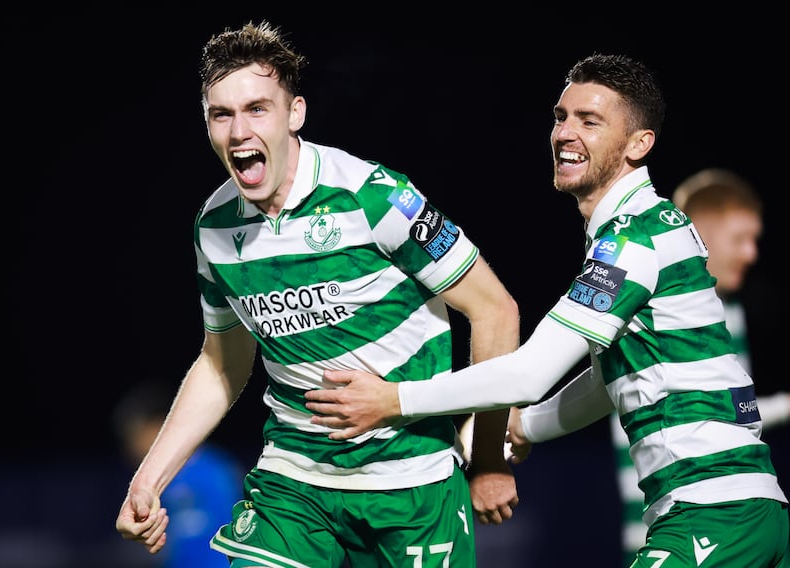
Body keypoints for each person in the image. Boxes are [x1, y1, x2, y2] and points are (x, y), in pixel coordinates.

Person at [305, 53, 790, 567]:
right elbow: (611, 380)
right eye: (562, 117)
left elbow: (530, 372)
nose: (565, 133)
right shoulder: (652, 226)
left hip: (713, 516)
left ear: (638, 144)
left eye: (590, 121)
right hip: (745, 513)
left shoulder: (633, 242)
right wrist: (526, 427)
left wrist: (393, 399)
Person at [114, 20, 521, 568]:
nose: (239, 131)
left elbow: (495, 310)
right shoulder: (213, 228)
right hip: (296, 481)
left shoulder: (377, 198)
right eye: (222, 114)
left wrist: (490, 456)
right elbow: (222, 363)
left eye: (258, 108)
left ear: (295, 113)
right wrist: (150, 478)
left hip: (411, 480)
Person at [611, 168, 790, 565]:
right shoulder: (646, 301)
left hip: (713, 515)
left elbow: (729, 411)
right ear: (703, 237)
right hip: (673, 516)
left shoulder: (730, 312)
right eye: (740, 239)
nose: (751, 253)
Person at [113, 380, 245, 568]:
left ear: (158, 427)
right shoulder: (151, 486)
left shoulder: (214, 469)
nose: (131, 447)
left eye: (135, 435)